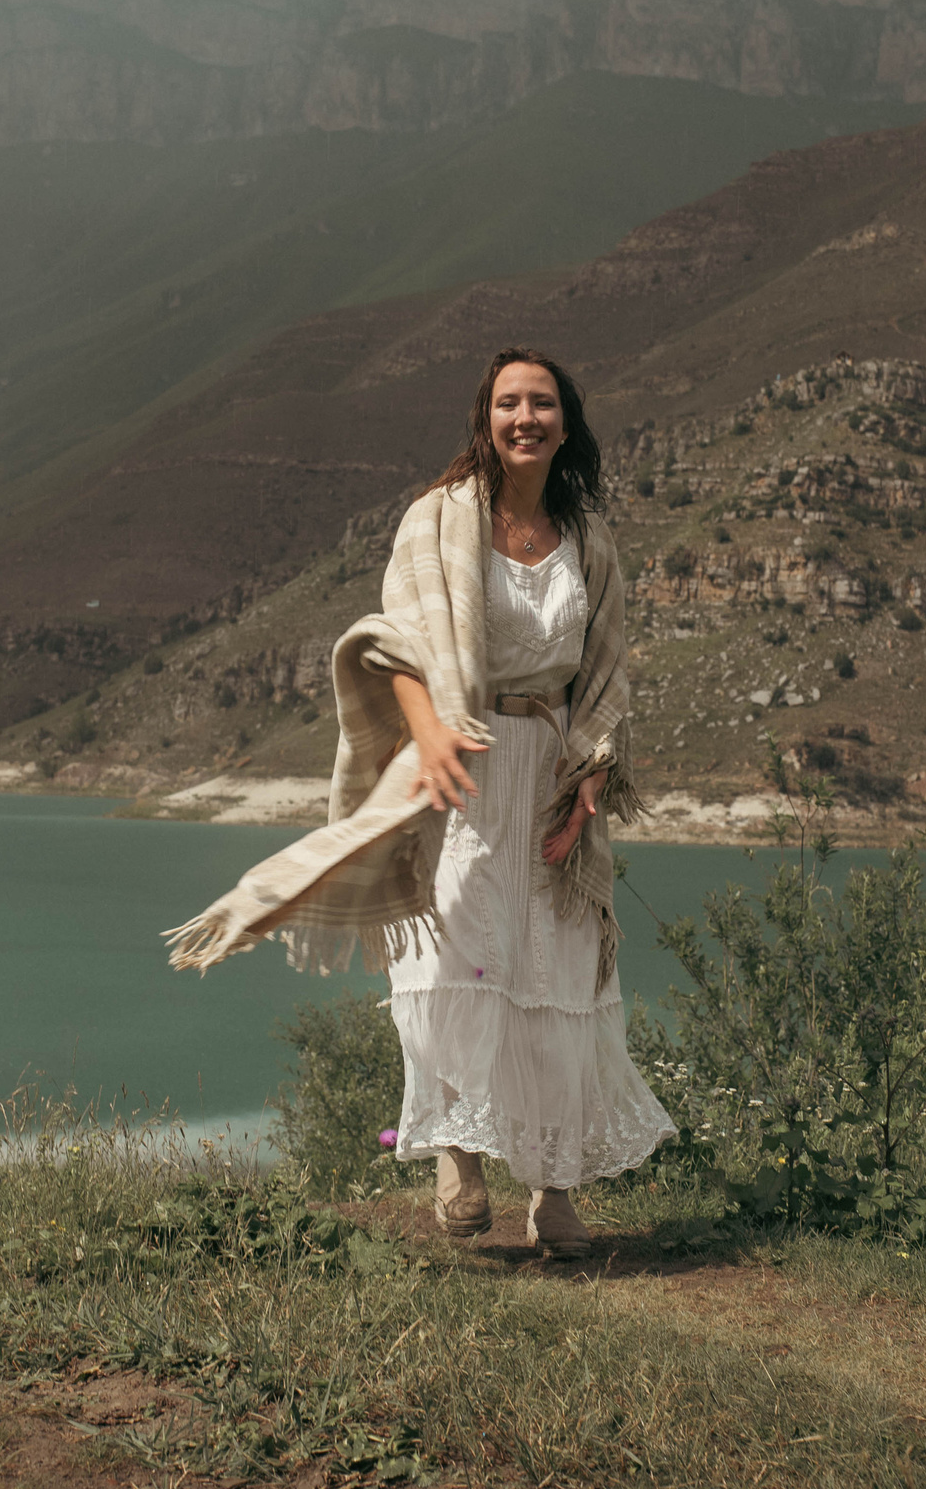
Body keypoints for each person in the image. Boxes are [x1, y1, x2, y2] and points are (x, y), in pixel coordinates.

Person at [167, 347, 674, 1258]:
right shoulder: (436, 523)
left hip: (551, 773)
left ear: (567, 423)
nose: (527, 417)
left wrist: (593, 771)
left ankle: (554, 1189)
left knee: (558, 967)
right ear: (486, 419)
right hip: (462, 767)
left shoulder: (589, 543)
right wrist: (432, 735)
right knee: (453, 957)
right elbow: (389, 646)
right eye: (510, 403)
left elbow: (606, 676)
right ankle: (457, 1156)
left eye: (544, 403)